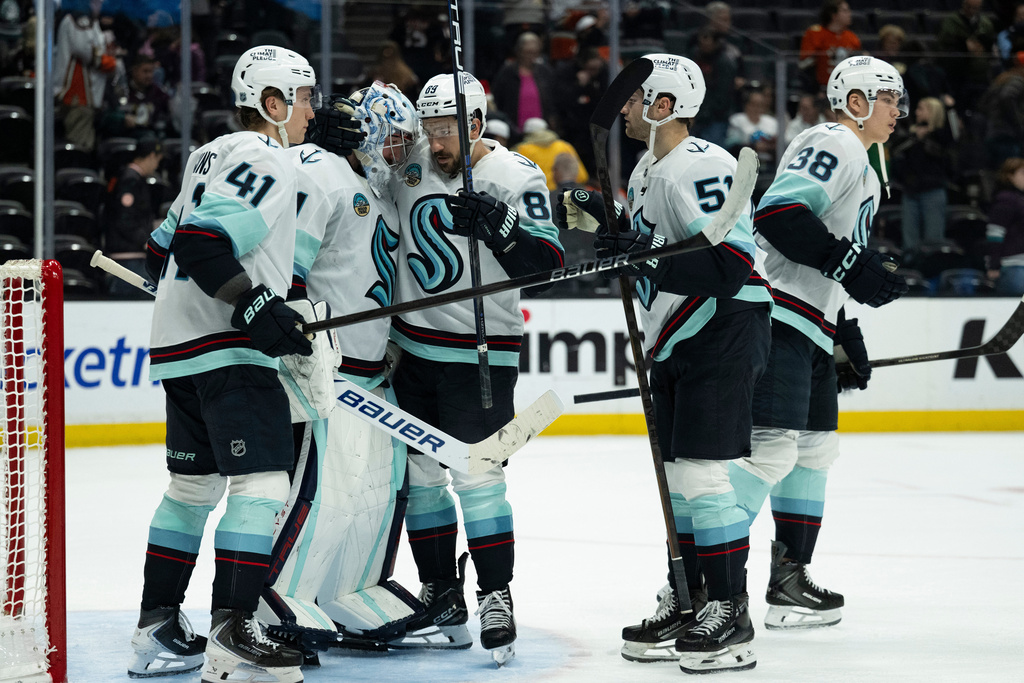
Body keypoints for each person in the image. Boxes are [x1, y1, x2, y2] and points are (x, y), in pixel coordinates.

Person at [557, 53, 773, 674]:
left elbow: (728, 268)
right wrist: (615, 229)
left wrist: (643, 249)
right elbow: (662, 248)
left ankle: (730, 612)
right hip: (678, 337)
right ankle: (692, 597)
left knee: (703, 479)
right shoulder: (653, 164)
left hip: (721, 329)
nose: (623, 108)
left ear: (663, 107)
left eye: (633, 99)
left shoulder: (703, 163)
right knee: (681, 485)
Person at [128, 45, 319, 683]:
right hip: (228, 353)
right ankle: (234, 632)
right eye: (305, 96)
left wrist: (244, 299)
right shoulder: (267, 156)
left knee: (190, 490)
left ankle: (157, 626)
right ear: (273, 102)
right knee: (262, 486)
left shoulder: (207, 155)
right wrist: (257, 305)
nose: (311, 111)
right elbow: (206, 242)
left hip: (180, 349)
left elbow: (162, 248)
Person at [385, 71, 565, 665]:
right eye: (429, 126)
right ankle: (439, 591)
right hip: (412, 350)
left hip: (480, 353)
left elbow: (549, 261)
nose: (436, 140)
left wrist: (500, 226)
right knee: (421, 477)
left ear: (477, 124)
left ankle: (495, 592)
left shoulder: (516, 175)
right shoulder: (405, 159)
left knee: (480, 478)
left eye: (448, 128)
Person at [730, 55, 909, 632]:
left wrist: (843, 326)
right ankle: (701, 584)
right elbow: (780, 213)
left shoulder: (865, 157)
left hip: (811, 321)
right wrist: (852, 267)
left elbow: (826, 247)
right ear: (855, 102)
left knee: (813, 452)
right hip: (779, 315)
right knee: (771, 452)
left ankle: (788, 580)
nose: (898, 111)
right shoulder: (837, 139)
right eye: (889, 99)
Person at [257, 82, 426, 653]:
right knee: (321, 491)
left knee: (377, 491)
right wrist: (298, 343)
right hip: (325, 367)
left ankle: (355, 588)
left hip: (372, 369)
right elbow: (288, 266)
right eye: (396, 140)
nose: (402, 154)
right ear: (369, 132)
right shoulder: (321, 172)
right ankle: (277, 594)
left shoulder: (375, 190)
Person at [890, 97, 953, 252]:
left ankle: (930, 272)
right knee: (909, 241)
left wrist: (951, 109)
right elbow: (898, 157)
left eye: (921, 109)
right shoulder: (908, 137)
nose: (917, 112)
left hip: (933, 192)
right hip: (910, 192)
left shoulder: (942, 136)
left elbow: (951, 143)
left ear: (932, 112)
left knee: (933, 240)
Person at [104, 137, 164, 299]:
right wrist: (146, 241)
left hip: (130, 258)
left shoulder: (129, 177)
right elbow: (125, 218)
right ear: (152, 156)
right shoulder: (130, 179)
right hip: (128, 260)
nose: (157, 165)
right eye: (158, 160)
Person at [491, 31, 560, 135]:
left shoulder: (545, 72)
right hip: (514, 129)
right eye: (528, 52)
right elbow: (498, 99)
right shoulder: (508, 72)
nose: (532, 56)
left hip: (542, 130)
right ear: (519, 52)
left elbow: (553, 99)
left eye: (535, 52)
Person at [513, 116, 589, 190]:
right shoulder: (564, 146)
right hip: (564, 193)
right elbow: (582, 176)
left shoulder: (521, 149)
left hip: (539, 197)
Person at [799, 0, 861, 89]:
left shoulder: (852, 37)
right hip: (818, 88)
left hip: (846, 88)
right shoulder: (815, 34)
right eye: (845, 11)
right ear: (833, 15)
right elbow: (804, 65)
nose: (849, 14)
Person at [985, 157, 1024, 295]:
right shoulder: (1006, 200)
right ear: (1009, 176)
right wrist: (994, 265)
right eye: (1023, 173)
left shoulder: (1019, 199)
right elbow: (995, 234)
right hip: (1014, 267)